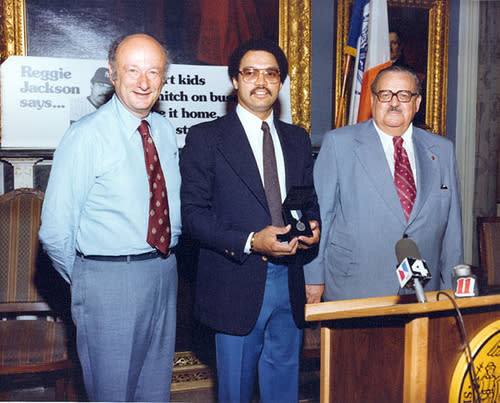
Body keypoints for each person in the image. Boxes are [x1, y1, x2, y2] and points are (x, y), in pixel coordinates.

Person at [39, 34, 181, 402]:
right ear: (112, 74)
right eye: (132, 70)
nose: (144, 82)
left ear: (163, 79)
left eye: (153, 72)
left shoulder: (164, 131)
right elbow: (55, 232)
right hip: (107, 281)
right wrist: (90, 280)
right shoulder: (85, 136)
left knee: (154, 393)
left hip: (164, 273)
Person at [180, 38, 320, 402]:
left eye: (271, 73)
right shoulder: (206, 138)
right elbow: (192, 216)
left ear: (281, 82)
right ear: (234, 80)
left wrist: (313, 225)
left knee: (283, 387)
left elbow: (308, 200)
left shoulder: (297, 139)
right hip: (235, 282)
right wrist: (250, 241)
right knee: (235, 391)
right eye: (250, 72)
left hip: (288, 281)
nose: (261, 81)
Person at [306, 64, 463, 302]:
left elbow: (452, 229)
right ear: (372, 99)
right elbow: (321, 217)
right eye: (385, 94)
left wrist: (454, 286)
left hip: (423, 292)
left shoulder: (442, 150)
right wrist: (313, 277)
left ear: (417, 103)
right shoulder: (340, 144)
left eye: (404, 95)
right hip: (354, 287)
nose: (394, 103)